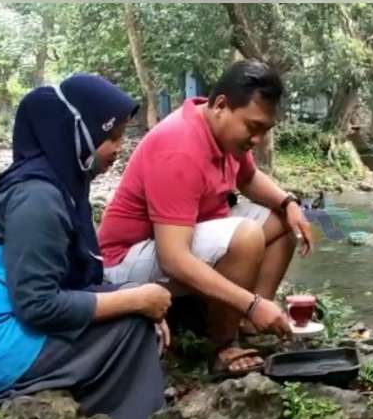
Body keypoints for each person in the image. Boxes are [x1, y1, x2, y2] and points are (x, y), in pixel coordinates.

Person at [0, 75, 172, 419]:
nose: (120, 148)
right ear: (80, 133)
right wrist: (136, 301)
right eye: (112, 136)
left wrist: (130, 296)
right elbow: (37, 304)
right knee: (130, 323)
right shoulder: (39, 198)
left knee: (125, 302)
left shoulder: (55, 185)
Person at [98, 60, 313, 377]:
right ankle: (223, 346)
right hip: (123, 263)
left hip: (176, 238)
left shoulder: (226, 134)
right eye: (253, 128)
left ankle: (250, 322)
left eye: (264, 131)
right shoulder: (179, 147)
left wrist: (289, 202)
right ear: (222, 106)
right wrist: (250, 301)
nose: (258, 139)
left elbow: (249, 179)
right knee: (247, 236)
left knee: (283, 220)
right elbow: (173, 259)